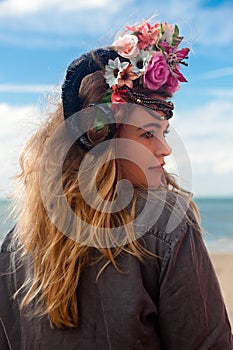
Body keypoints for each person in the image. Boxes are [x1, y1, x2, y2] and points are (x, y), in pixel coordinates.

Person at [0, 18, 232, 350]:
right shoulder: (167, 223)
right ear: (101, 140)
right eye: (148, 134)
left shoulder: (14, 246)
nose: (165, 149)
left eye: (164, 133)